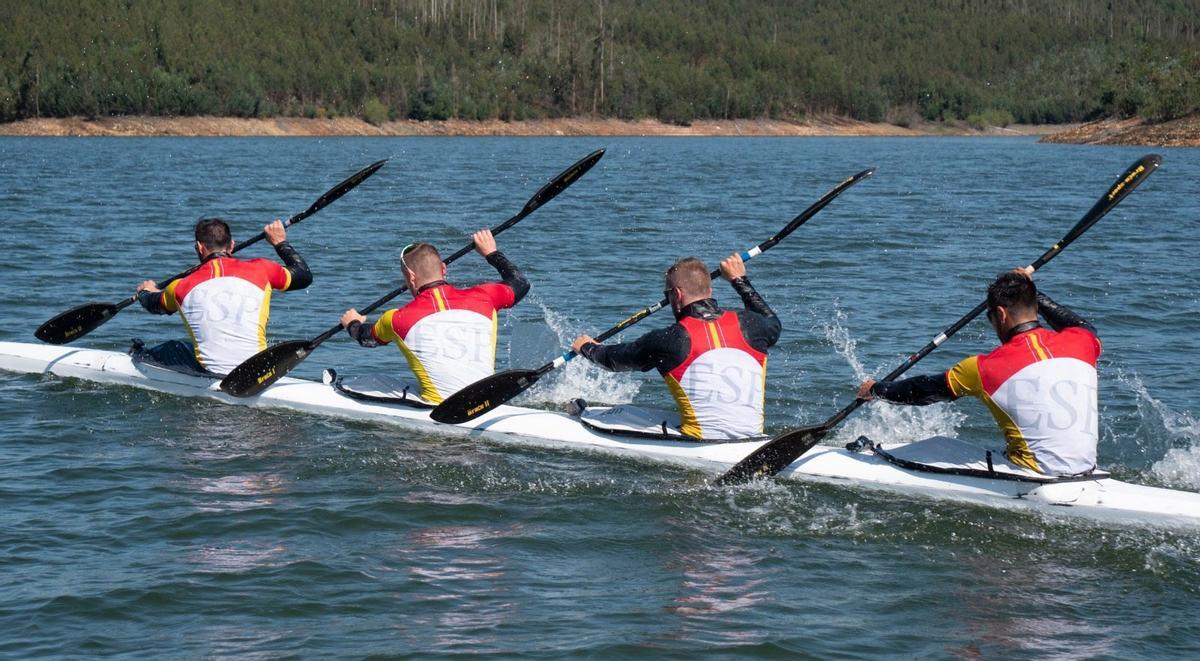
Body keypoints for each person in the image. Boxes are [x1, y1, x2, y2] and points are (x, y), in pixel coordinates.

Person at [857, 268, 1101, 476]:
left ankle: (869, 456)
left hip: (1036, 473)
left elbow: (923, 391)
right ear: (1035, 307)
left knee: (939, 446)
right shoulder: (1084, 341)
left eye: (990, 317)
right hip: (1085, 469)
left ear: (1001, 314)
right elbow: (1080, 325)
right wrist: (1031, 291)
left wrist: (877, 389)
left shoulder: (985, 367)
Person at [570, 254, 781, 440]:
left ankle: (580, 414)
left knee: (624, 412)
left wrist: (587, 348)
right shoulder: (753, 325)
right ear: (710, 289)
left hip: (700, 441)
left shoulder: (668, 339)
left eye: (667, 295)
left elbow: (613, 361)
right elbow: (773, 322)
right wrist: (739, 280)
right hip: (753, 437)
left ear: (677, 295)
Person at [340, 229, 529, 404]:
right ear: (444, 269)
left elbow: (367, 339)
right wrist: (492, 253)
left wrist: (353, 323)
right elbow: (520, 283)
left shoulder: (396, 319)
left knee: (372, 380)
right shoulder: (486, 296)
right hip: (487, 400)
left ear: (411, 278)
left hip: (440, 407)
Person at [134, 218, 313, 375]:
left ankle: (136, 357)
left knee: (173, 347)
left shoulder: (180, 287)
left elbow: (153, 304)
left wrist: (146, 291)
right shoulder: (263, 269)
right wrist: (280, 242)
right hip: (258, 369)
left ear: (199, 248)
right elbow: (304, 275)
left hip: (213, 373)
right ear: (232, 245)